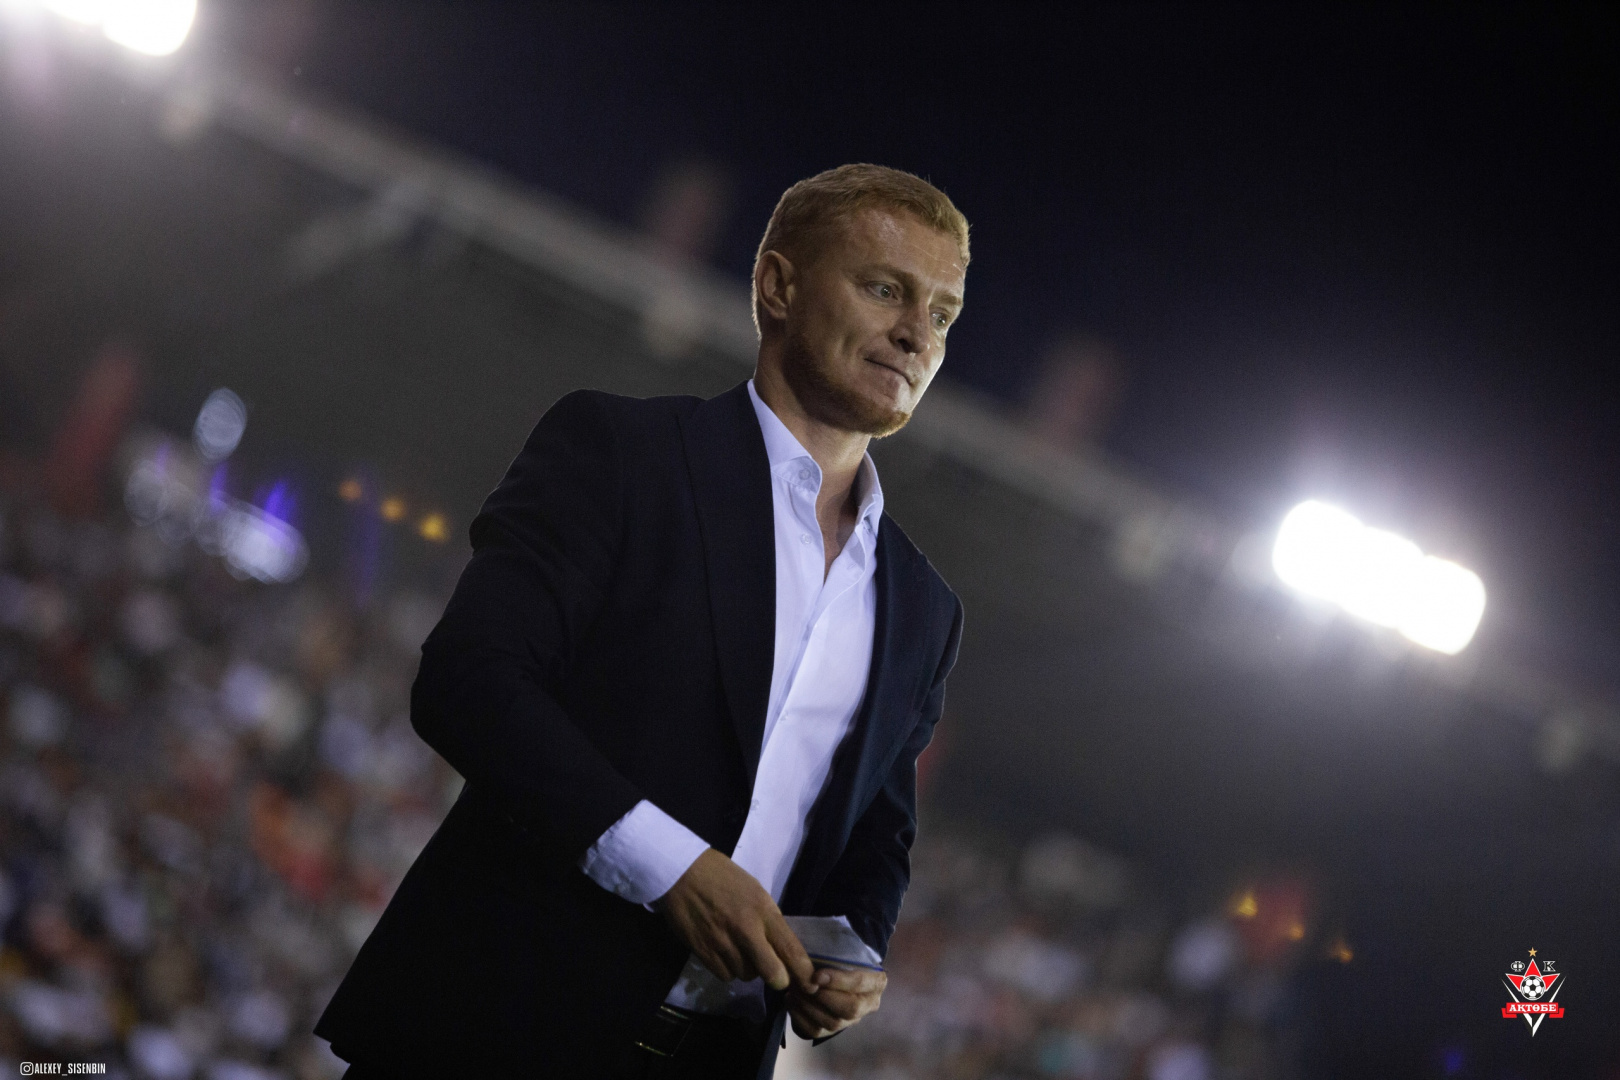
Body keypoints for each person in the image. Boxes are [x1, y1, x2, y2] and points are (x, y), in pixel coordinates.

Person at [315, 164, 969, 1079]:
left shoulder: (924, 606)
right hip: (487, 1032)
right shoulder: (622, 453)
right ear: (778, 286)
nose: (916, 334)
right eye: (885, 290)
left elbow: (879, 833)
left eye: (942, 313)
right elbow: (470, 680)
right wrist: (670, 868)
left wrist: (854, 946)